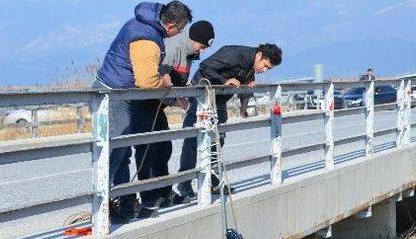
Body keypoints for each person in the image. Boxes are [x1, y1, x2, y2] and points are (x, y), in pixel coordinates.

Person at [93, 1, 192, 222]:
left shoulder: (143, 24)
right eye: (180, 31)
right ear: (173, 26)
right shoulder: (147, 38)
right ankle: (106, 205)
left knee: (122, 149)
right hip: (114, 93)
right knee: (116, 150)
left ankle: (123, 201)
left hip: (117, 91)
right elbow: (147, 81)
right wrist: (166, 82)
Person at [174, 43, 283, 202]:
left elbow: (246, 83)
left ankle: (212, 180)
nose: (264, 70)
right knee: (193, 140)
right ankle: (184, 183)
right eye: (265, 66)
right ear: (259, 55)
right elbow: (205, 66)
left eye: (268, 69)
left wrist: (243, 107)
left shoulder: (252, 66)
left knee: (218, 140)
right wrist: (225, 80)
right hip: (202, 96)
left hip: (219, 100)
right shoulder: (233, 53)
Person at [132, 20, 216, 212]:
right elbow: (155, 80)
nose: (202, 51)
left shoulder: (188, 53)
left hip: (159, 104)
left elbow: (175, 83)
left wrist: (180, 97)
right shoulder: (172, 48)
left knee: (163, 147)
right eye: (201, 46)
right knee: (148, 149)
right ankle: (149, 195)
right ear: (193, 39)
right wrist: (177, 101)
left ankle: (165, 191)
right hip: (145, 102)